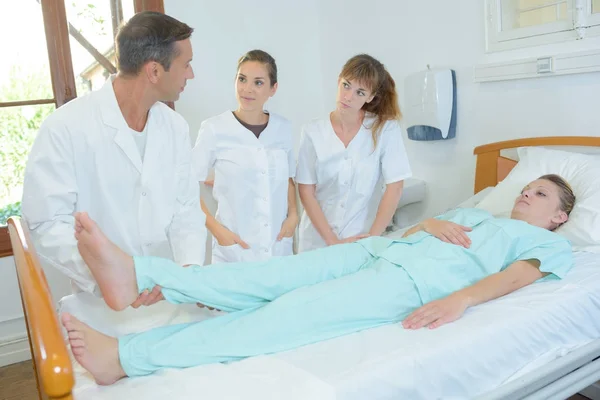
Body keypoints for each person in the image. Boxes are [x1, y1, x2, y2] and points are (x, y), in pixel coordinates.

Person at [62, 175, 575, 385]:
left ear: (558, 217)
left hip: (405, 284)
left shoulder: (548, 244)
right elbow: (417, 229)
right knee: (264, 277)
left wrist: (460, 301)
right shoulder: (479, 211)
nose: (528, 194)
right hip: (383, 248)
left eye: (541, 194)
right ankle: (137, 275)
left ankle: (126, 358)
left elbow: (512, 280)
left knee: (284, 316)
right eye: (527, 187)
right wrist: (428, 222)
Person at [21, 12, 206, 308]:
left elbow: (186, 209)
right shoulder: (66, 127)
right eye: (187, 64)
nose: (191, 74)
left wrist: (187, 271)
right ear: (155, 71)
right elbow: (46, 222)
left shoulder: (175, 127)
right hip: (101, 305)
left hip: (167, 294)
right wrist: (111, 274)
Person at [295, 54, 412, 252]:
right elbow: (306, 191)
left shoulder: (385, 129)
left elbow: (395, 187)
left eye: (360, 92)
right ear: (338, 80)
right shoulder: (312, 131)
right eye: (346, 85)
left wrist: (372, 239)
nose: (348, 96)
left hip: (361, 240)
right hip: (316, 242)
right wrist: (333, 241)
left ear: (371, 97)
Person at [193, 50, 297, 263]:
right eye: (242, 79)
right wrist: (217, 231)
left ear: (273, 89)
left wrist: (293, 215)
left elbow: (288, 178)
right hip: (235, 251)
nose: (247, 89)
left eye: (258, 82)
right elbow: (186, 186)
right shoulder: (214, 129)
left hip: (278, 248)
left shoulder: (283, 128)